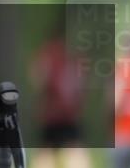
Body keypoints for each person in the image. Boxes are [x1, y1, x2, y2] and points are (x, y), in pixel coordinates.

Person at [29, 30, 90, 168]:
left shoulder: (49, 53)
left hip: (52, 113)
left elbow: (39, 79)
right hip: (68, 114)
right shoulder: (75, 57)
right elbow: (82, 86)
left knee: (47, 153)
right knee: (73, 151)